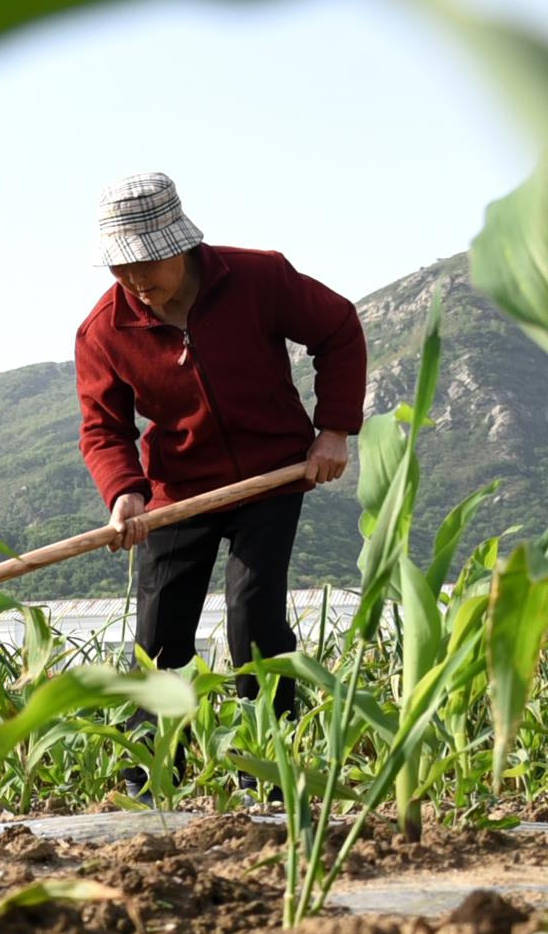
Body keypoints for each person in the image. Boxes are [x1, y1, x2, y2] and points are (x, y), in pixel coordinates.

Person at [74, 171, 366, 712]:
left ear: (181, 243)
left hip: (271, 474)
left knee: (254, 618)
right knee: (160, 637)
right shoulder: (104, 331)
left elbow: (340, 329)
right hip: (177, 490)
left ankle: (270, 767)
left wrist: (333, 430)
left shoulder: (259, 278)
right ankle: (153, 776)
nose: (135, 280)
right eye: (122, 265)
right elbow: (103, 428)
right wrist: (124, 493)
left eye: (148, 262)